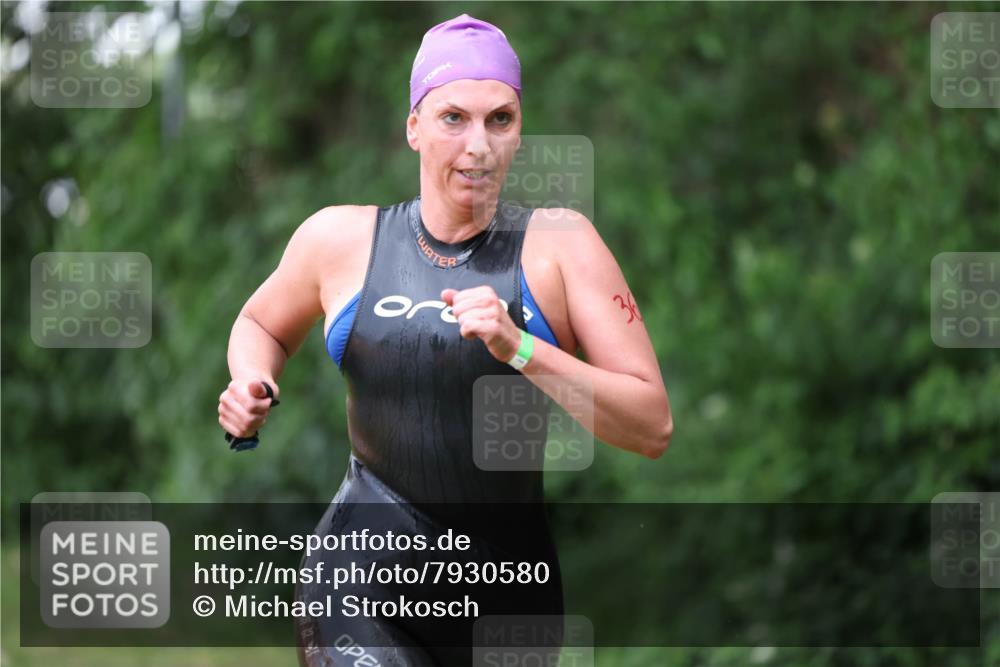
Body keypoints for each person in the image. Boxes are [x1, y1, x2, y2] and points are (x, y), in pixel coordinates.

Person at [218, 13, 673, 666]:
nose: (479, 145)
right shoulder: (339, 240)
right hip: (361, 579)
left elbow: (651, 424)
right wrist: (250, 381)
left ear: (520, 133)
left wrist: (520, 346)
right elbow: (259, 323)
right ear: (413, 127)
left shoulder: (561, 247)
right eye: (453, 117)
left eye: (500, 119)